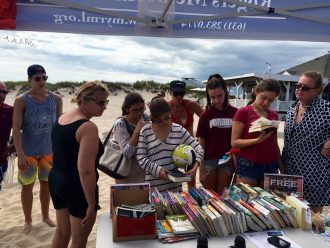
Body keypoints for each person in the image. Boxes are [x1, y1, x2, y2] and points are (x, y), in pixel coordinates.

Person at [49, 82, 109, 247]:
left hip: (56, 180)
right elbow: (86, 171)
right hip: (77, 187)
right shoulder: (88, 127)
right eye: (100, 102)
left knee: (62, 231)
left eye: (106, 102)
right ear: (83, 100)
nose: (104, 107)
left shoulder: (64, 116)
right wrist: (91, 204)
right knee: (79, 241)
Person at [12, 64, 63, 235]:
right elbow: (16, 129)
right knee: (27, 186)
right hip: (28, 153)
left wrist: (59, 150)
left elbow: (59, 126)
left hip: (49, 151)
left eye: (44, 77)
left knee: (46, 185)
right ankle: (28, 220)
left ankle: (46, 216)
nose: (42, 81)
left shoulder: (56, 99)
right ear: (29, 80)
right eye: (37, 78)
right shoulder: (21, 100)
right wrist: (20, 155)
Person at [282, 71, 330, 214]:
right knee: (291, 216)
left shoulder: (325, 108)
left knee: (312, 219)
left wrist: (328, 143)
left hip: (314, 174)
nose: (299, 89)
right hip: (291, 172)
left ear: (317, 90)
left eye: (305, 88)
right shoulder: (293, 108)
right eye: (298, 85)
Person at [137, 98, 204, 192]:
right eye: (159, 121)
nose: (164, 123)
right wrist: (158, 170)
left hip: (175, 189)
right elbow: (141, 157)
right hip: (153, 189)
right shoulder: (146, 131)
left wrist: (196, 165)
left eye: (167, 118)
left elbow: (198, 148)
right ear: (153, 118)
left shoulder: (178, 130)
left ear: (170, 113)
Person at [231, 79, 285, 187]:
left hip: (271, 164)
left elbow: (274, 144)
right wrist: (257, 140)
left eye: (270, 100)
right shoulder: (244, 112)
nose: (266, 103)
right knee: (247, 202)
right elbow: (234, 142)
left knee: (268, 201)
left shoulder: (273, 114)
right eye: (263, 98)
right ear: (257, 92)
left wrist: (282, 169)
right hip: (249, 164)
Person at [196, 76, 238, 196]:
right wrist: (201, 166)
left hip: (227, 161)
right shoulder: (205, 115)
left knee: (221, 197)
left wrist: (234, 152)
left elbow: (239, 139)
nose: (216, 100)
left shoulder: (236, 113)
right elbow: (201, 142)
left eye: (219, 96)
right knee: (209, 197)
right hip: (209, 161)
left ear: (226, 91)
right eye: (212, 97)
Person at [168, 80, 203, 188]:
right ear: (170, 92)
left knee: (191, 181)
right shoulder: (166, 107)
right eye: (176, 93)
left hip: (189, 148)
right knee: (171, 182)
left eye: (182, 93)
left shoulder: (191, 105)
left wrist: (200, 136)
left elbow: (206, 120)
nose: (179, 96)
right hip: (171, 148)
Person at [113, 92, 147, 183]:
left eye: (142, 108)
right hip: (126, 176)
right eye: (135, 110)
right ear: (127, 109)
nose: (139, 113)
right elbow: (127, 153)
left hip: (143, 174)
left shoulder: (145, 117)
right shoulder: (120, 124)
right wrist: (137, 132)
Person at [0, 81, 14, 190]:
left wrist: (13, 146)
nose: (2, 95)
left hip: (1, 160)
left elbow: (26, 129)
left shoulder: (10, 111)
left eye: (5, 92)